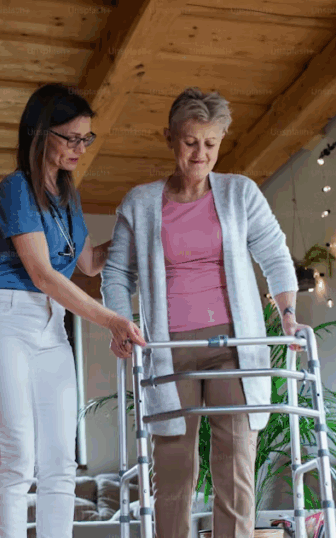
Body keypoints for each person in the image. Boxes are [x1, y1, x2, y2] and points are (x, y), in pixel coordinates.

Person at [101, 87, 308, 538]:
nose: (201, 154)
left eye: (211, 144)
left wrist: (288, 314)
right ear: (171, 139)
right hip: (169, 349)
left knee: (235, 461)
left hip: (234, 346)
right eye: (191, 141)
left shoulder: (240, 193)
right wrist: (120, 321)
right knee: (173, 471)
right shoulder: (140, 202)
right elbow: (116, 272)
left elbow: (274, 255)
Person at [0, 83, 146, 538]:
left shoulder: (69, 196)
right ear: (39, 133)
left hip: (51, 326)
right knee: (18, 456)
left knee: (60, 462)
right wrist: (112, 319)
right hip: (4, 318)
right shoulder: (15, 189)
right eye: (70, 138)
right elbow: (44, 274)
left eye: (86, 139)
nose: (80, 149)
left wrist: (139, 236)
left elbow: (87, 262)